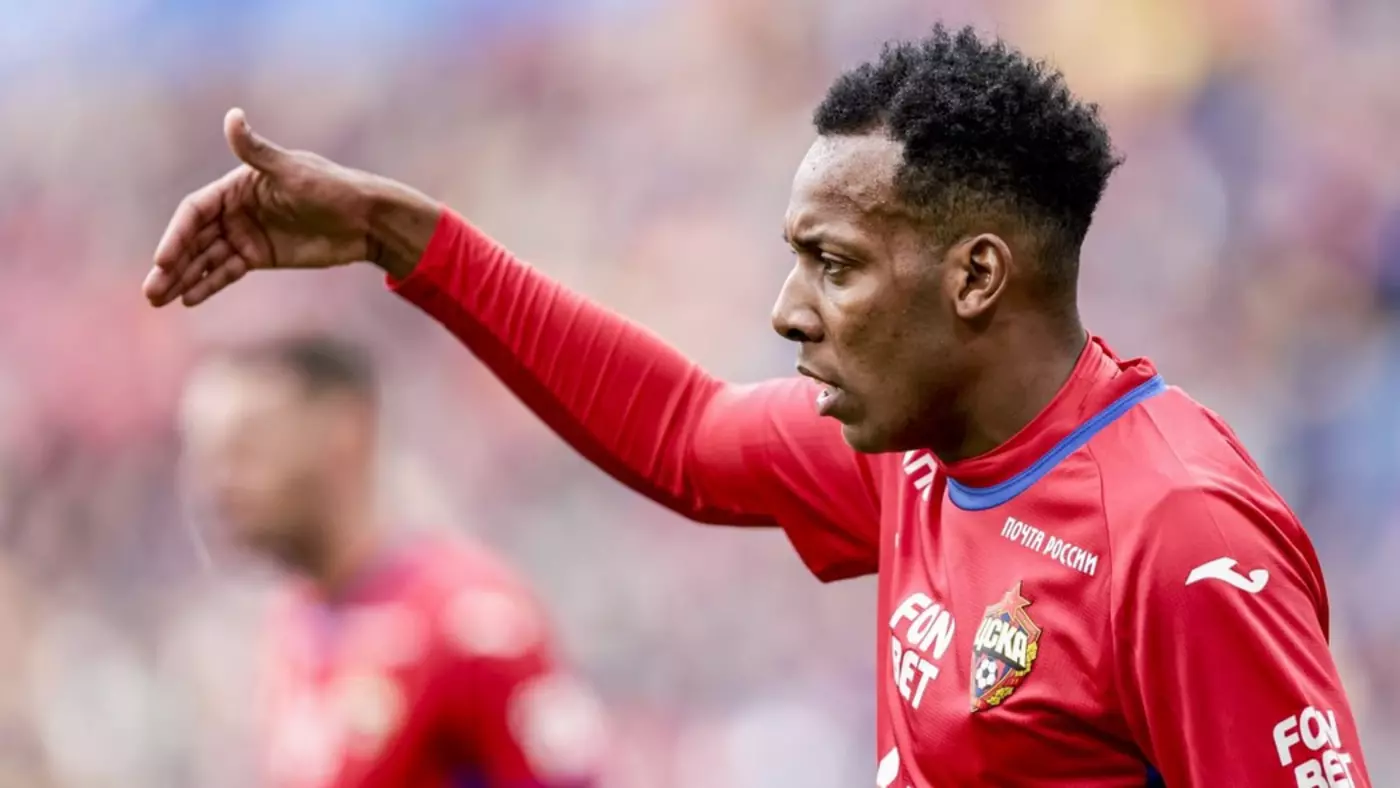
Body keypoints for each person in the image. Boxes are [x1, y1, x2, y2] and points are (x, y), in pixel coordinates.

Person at [147, 23, 1371, 788]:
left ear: (974, 276)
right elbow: (681, 432)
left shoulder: (1175, 537)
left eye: (833, 264)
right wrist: (398, 236)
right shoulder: (918, 454)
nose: (788, 310)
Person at [178, 335, 606, 788]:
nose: (215, 485)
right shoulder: (291, 626)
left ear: (345, 435)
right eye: (204, 456)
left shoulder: (471, 622)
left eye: (246, 449)